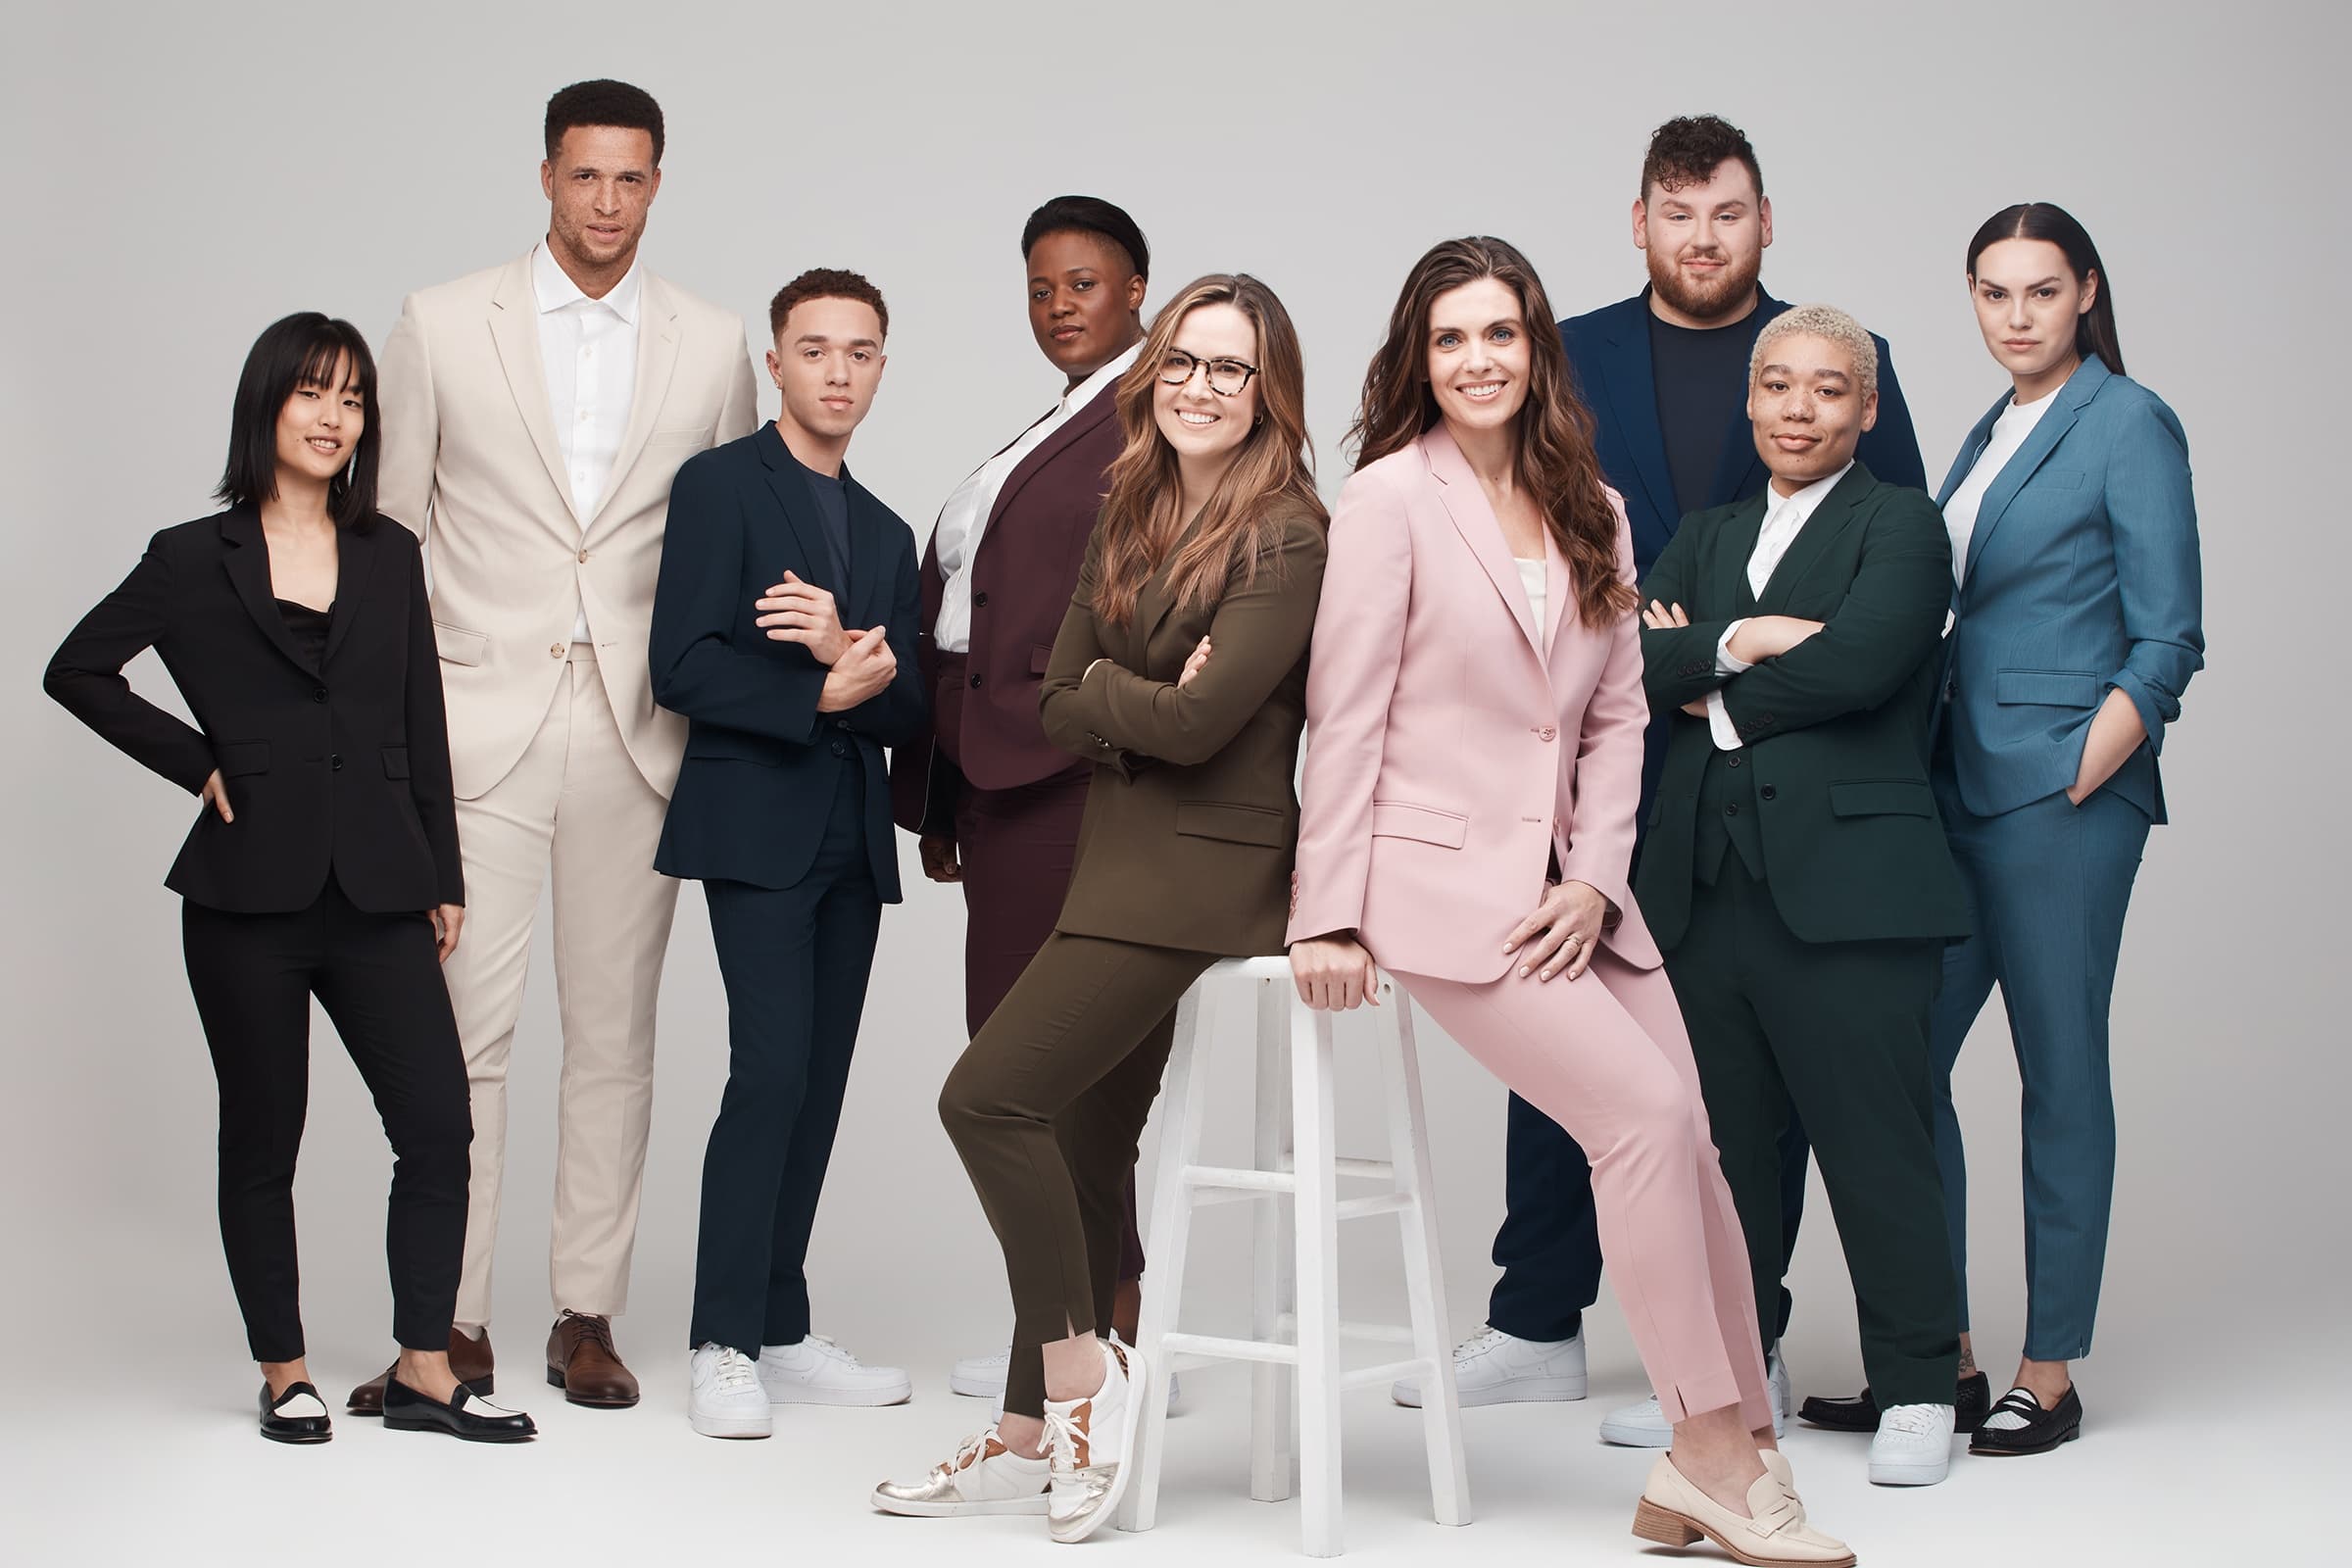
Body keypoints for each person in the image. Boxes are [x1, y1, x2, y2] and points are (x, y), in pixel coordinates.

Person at [1290, 237, 1851, 1564]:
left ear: (1536, 348)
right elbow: (1344, 713)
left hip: (1573, 894)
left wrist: (1596, 877)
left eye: (1500, 333)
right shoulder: (1388, 500)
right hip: (1434, 884)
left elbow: (1613, 718)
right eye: (1450, 338)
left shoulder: (1591, 506)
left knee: (1693, 1141)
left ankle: (1738, 1445)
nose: (1477, 359)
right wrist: (1324, 909)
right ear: (1420, 360)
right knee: (1642, 1120)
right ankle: (1711, 1448)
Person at [1423, 115, 1930, 1446]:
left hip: (1774, 783)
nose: (1704, 238)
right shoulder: (1569, 352)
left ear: (1766, 223)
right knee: (1555, 1019)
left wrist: (1706, 654)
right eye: (1679, 213)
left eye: (1728, 213)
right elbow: (1494, 517)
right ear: (1639, 222)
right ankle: (1537, 1321)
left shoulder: (1836, 363)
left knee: (1759, 1071)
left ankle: (1743, 1342)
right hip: (1570, 743)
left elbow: (1889, 597)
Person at [873, 274, 1328, 1543]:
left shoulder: (1289, 532)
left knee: (986, 1100)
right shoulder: (1130, 509)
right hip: (1118, 863)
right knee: (1078, 1150)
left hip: (1203, 881)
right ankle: (1028, 1434)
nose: (1198, 386)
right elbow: (1053, 699)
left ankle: (1083, 1379)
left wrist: (1133, 700)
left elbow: (1197, 721)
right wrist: (1147, 696)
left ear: (1268, 392)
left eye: (1229, 368)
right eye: (1182, 360)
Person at [43, 313, 534, 1445]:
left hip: (381, 888)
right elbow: (78, 668)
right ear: (266, 404)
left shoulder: (389, 552)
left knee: (439, 1124)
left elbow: (419, 720)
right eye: (312, 392)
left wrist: (443, 872)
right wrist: (199, 761)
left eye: (353, 398)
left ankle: (424, 1367)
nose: (333, 416)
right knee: (265, 1139)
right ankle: (286, 1372)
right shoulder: (188, 557)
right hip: (245, 897)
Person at [350, 78, 759, 1414]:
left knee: (616, 1036)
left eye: (631, 178)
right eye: (585, 175)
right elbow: (389, 538)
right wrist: (391, 741)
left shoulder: (713, 340)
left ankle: (587, 1312)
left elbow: (731, 536)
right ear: (544, 177)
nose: (606, 202)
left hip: (642, 726)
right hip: (474, 722)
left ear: (658, 185)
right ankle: (450, 1316)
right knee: (463, 1034)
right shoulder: (439, 321)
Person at [1807, 205, 2200, 1457]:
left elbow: (2169, 635)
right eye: (1993, 292)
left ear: (2086, 292)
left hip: (2058, 799)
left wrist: (2082, 767)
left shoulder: (2127, 421)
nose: (2016, 315)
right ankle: (1944, 1358)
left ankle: (2051, 1370)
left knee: (2059, 1072)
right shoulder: (1992, 428)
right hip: (1953, 787)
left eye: (2040, 290)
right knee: (1901, 1060)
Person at [1635, 304, 1968, 1485]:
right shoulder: (1707, 532)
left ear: (1866, 409)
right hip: (1701, 889)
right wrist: (1759, 637)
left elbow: (1867, 660)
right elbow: (1637, 660)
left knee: (1877, 1145)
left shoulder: (1904, 523)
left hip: (1854, 892)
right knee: (1722, 1157)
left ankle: (1919, 1384)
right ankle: (1742, 1373)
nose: (1797, 408)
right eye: (1778, 384)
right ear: (1752, 399)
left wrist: (1711, 678)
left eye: (1828, 389)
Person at [885, 197, 1162, 1405]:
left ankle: (1092, 1331)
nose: (1058, 304)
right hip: (993, 780)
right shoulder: (1058, 417)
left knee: (1039, 1072)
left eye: (1082, 283)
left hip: (1067, 776)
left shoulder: (1153, 412)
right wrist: (945, 791)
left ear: (1138, 288)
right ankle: (1076, 1325)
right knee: (1026, 1066)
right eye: (1041, 286)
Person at [651, 269, 926, 1437]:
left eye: (859, 352)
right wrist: (819, 688)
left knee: (816, 1085)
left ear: (881, 367)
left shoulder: (888, 531)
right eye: (815, 349)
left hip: (850, 836)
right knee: (767, 1072)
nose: (837, 372)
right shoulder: (720, 486)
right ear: (776, 363)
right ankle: (721, 1340)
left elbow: (907, 706)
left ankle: (779, 1323)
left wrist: (846, 663)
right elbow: (681, 666)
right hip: (754, 824)